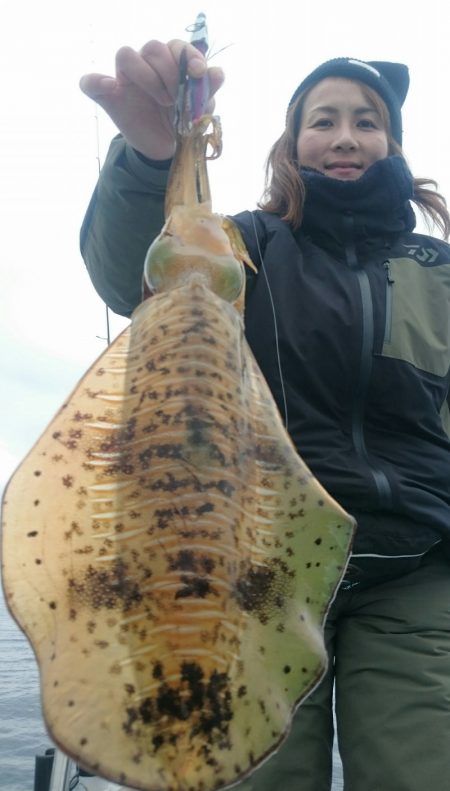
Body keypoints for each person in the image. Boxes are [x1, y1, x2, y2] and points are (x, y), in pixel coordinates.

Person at [79, 39, 450, 791]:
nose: (345, 136)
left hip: (411, 567)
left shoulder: (436, 271)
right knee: (257, 770)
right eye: (323, 120)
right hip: (257, 573)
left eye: (366, 121)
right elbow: (132, 273)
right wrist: (154, 156)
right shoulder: (241, 244)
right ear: (292, 143)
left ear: (393, 144)